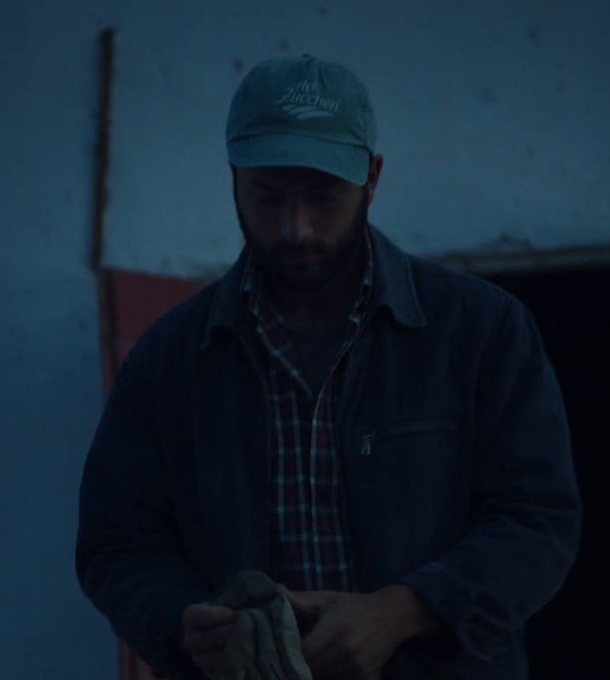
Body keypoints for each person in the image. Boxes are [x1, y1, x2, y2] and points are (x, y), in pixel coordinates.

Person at [76, 54, 581, 680]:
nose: (297, 228)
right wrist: (181, 620)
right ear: (233, 178)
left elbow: (539, 523)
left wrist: (404, 611)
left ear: (371, 177)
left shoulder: (481, 330)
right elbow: (118, 544)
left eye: (323, 196)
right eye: (268, 196)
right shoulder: (168, 360)